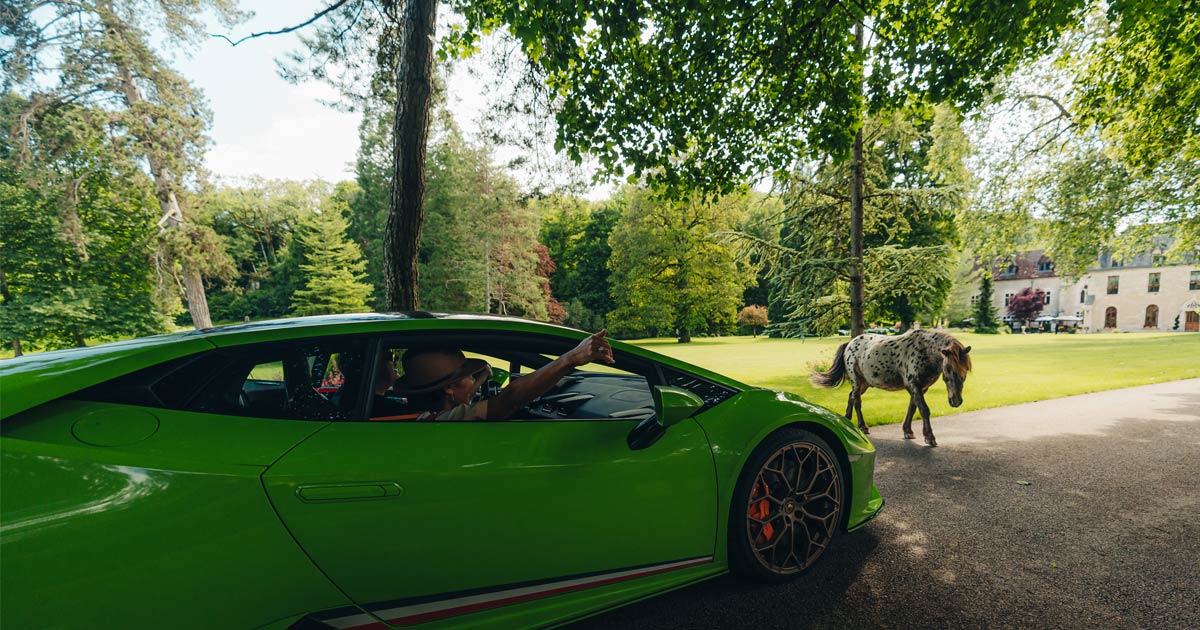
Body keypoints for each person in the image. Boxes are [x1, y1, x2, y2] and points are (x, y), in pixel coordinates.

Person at [392, 329, 615, 421]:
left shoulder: (423, 415)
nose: (473, 381)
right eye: (468, 377)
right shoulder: (446, 419)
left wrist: (478, 378)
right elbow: (510, 400)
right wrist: (570, 359)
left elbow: (472, 392)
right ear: (449, 389)